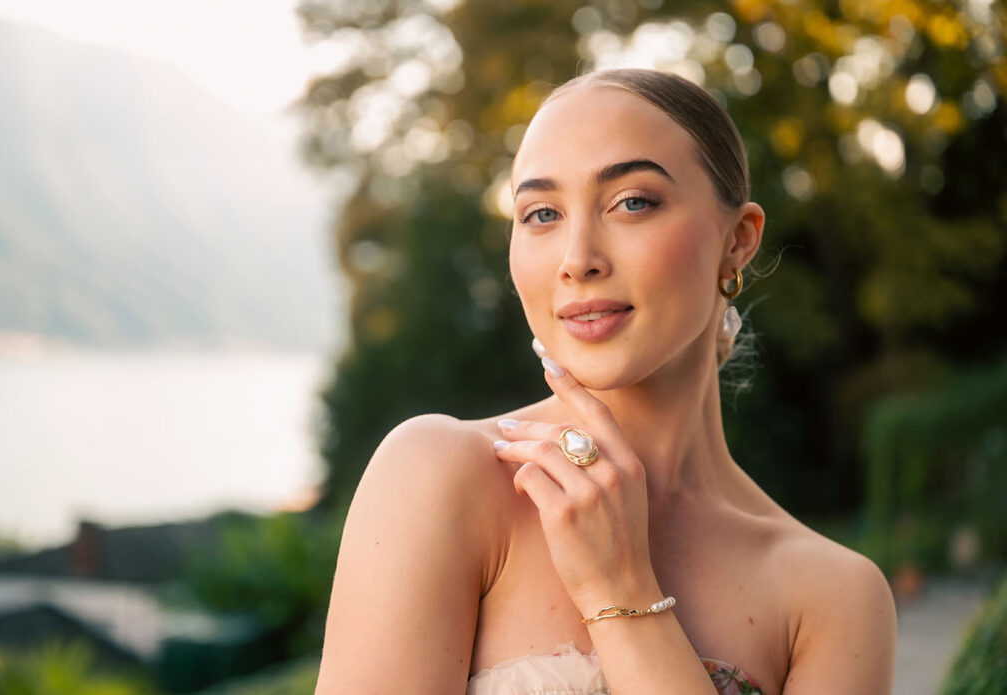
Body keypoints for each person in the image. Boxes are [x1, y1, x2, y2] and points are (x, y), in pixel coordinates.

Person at [314, 68, 897, 695]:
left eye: (632, 203)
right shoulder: (438, 475)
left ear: (738, 241)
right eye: (541, 213)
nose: (577, 258)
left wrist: (617, 592)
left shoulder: (836, 600)